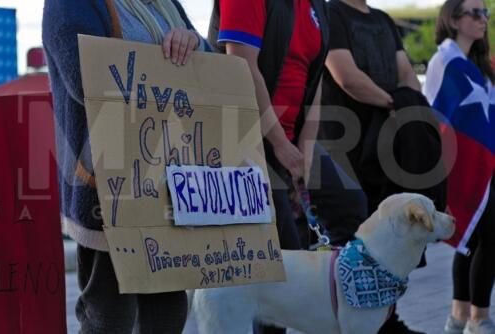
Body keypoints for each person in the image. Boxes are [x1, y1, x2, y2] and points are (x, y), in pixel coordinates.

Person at [42, 0, 210, 333]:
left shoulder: (165, 3)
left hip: (169, 185)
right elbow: (85, 78)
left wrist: (193, 43)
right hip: (108, 189)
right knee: (109, 313)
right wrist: (169, 70)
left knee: (168, 311)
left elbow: (212, 71)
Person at [208, 0, 368, 333]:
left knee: (349, 204)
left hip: (291, 139)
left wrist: (305, 151)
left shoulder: (316, 6)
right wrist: (280, 144)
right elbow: (241, 66)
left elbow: (317, 79)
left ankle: (332, 309)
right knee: (284, 249)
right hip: (241, 135)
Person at [319, 0, 431, 333]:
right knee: (354, 242)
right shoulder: (331, 13)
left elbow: (407, 74)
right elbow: (346, 76)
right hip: (345, 144)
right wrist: (396, 103)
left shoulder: (383, 20)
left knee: (389, 242)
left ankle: (386, 320)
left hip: (389, 146)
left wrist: (412, 110)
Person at [423, 1, 495, 333]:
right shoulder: (444, 61)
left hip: (488, 165)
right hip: (462, 166)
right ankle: (477, 319)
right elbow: (435, 114)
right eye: (475, 13)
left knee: (477, 237)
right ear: (453, 19)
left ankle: (460, 317)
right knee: (479, 236)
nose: (483, 19)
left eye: (486, 13)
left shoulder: (479, 66)